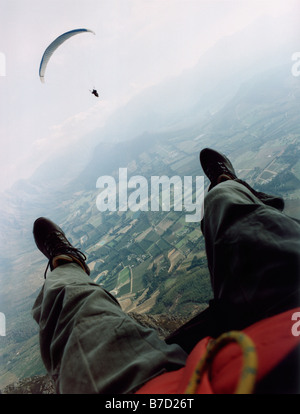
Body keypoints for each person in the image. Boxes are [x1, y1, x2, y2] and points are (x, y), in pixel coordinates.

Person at [32, 148, 300, 394]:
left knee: (66, 295)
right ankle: (226, 183)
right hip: (288, 310)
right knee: (225, 202)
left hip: (156, 391)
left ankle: (66, 263)